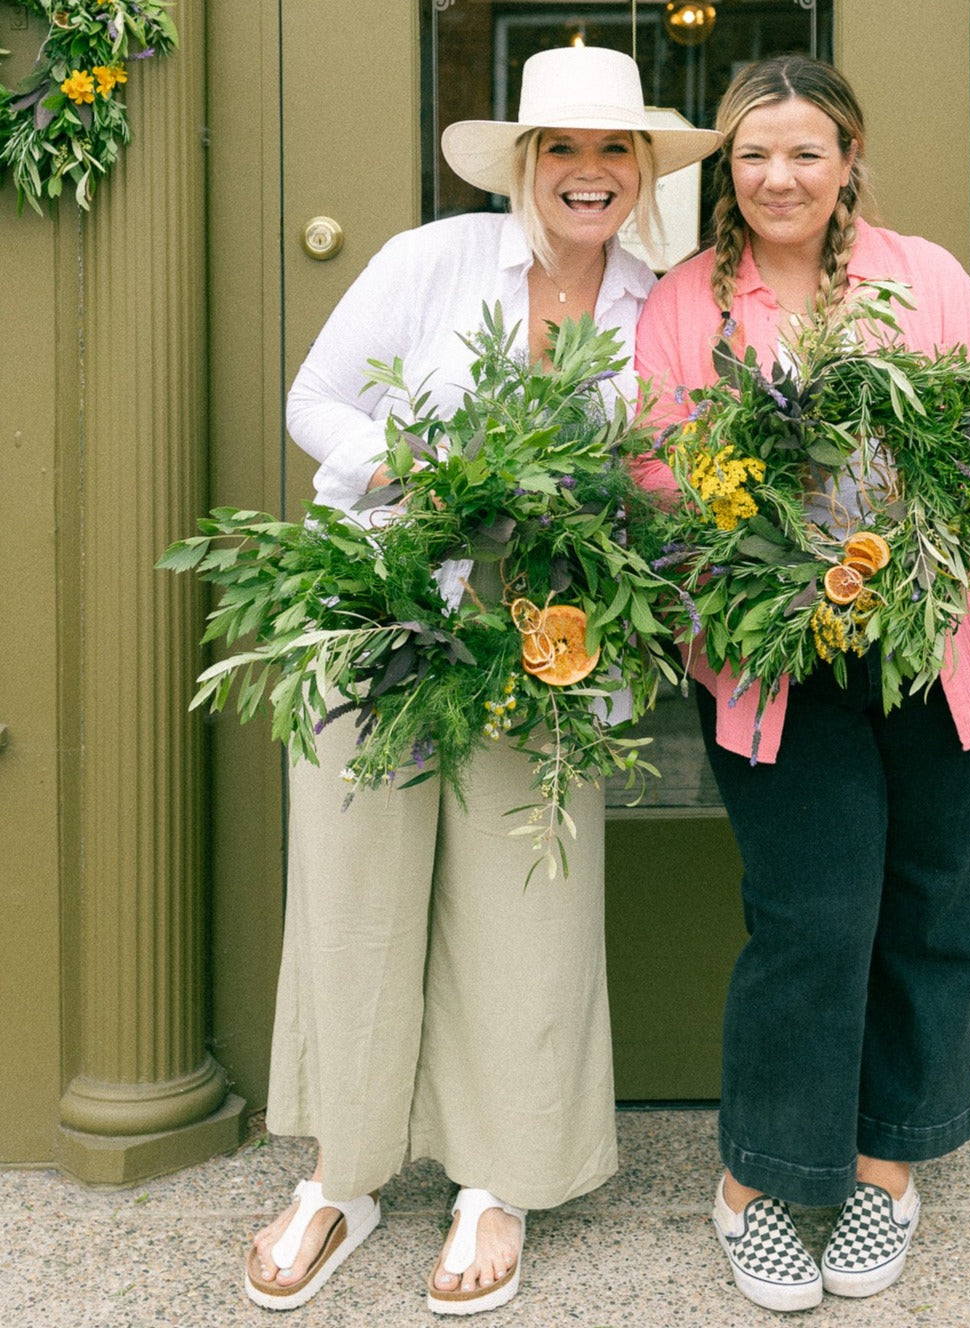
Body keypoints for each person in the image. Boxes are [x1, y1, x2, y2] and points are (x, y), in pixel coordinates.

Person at [243, 46, 719, 1316]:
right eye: (558, 148)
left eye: (611, 150)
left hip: (549, 629)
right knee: (355, 883)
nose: (585, 172)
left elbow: (673, 470)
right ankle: (340, 1175)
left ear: (640, 174)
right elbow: (313, 402)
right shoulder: (426, 261)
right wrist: (414, 466)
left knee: (525, 890)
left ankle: (496, 1178)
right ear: (522, 165)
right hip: (386, 606)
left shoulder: (661, 304)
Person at [633, 55, 970, 1313]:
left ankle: (886, 1166)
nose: (778, 177)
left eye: (804, 153)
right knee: (813, 918)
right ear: (726, 171)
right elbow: (658, 477)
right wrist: (749, 570)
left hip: (949, 645)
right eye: (753, 155)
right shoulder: (687, 302)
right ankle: (761, 1182)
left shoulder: (923, 275)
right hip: (780, 662)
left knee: (932, 910)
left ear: (846, 164)